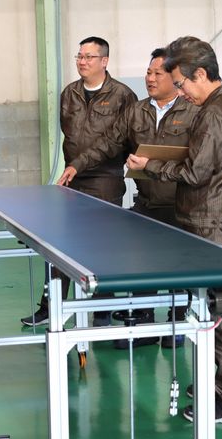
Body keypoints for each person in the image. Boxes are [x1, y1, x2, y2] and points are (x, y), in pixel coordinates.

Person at [127, 36, 222, 425]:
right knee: (216, 312)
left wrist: (150, 166)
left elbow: (197, 173)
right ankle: (221, 387)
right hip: (217, 222)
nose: (181, 92)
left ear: (200, 74)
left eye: (181, 83)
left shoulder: (214, 114)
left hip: (215, 226)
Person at [62, 48, 199, 349]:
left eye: (158, 73)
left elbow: (199, 161)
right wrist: (77, 165)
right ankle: (144, 325)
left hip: (181, 204)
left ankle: (176, 323)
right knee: (141, 266)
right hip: (147, 202)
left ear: (175, 77)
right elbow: (108, 143)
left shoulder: (193, 112)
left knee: (178, 267)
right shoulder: (136, 111)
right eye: (148, 72)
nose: (150, 78)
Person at [22, 37, 136, 327]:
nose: (82, 62)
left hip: (105, 180)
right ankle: (51, 305)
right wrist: (74, 166)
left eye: (89, 57)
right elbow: (69, 133)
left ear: (104, 61)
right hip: (72, 179)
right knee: (60, 243)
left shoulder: (122, 95)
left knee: (102, 245)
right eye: (79, 56)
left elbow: (123, 139)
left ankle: (103, 309)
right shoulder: (70, 93)